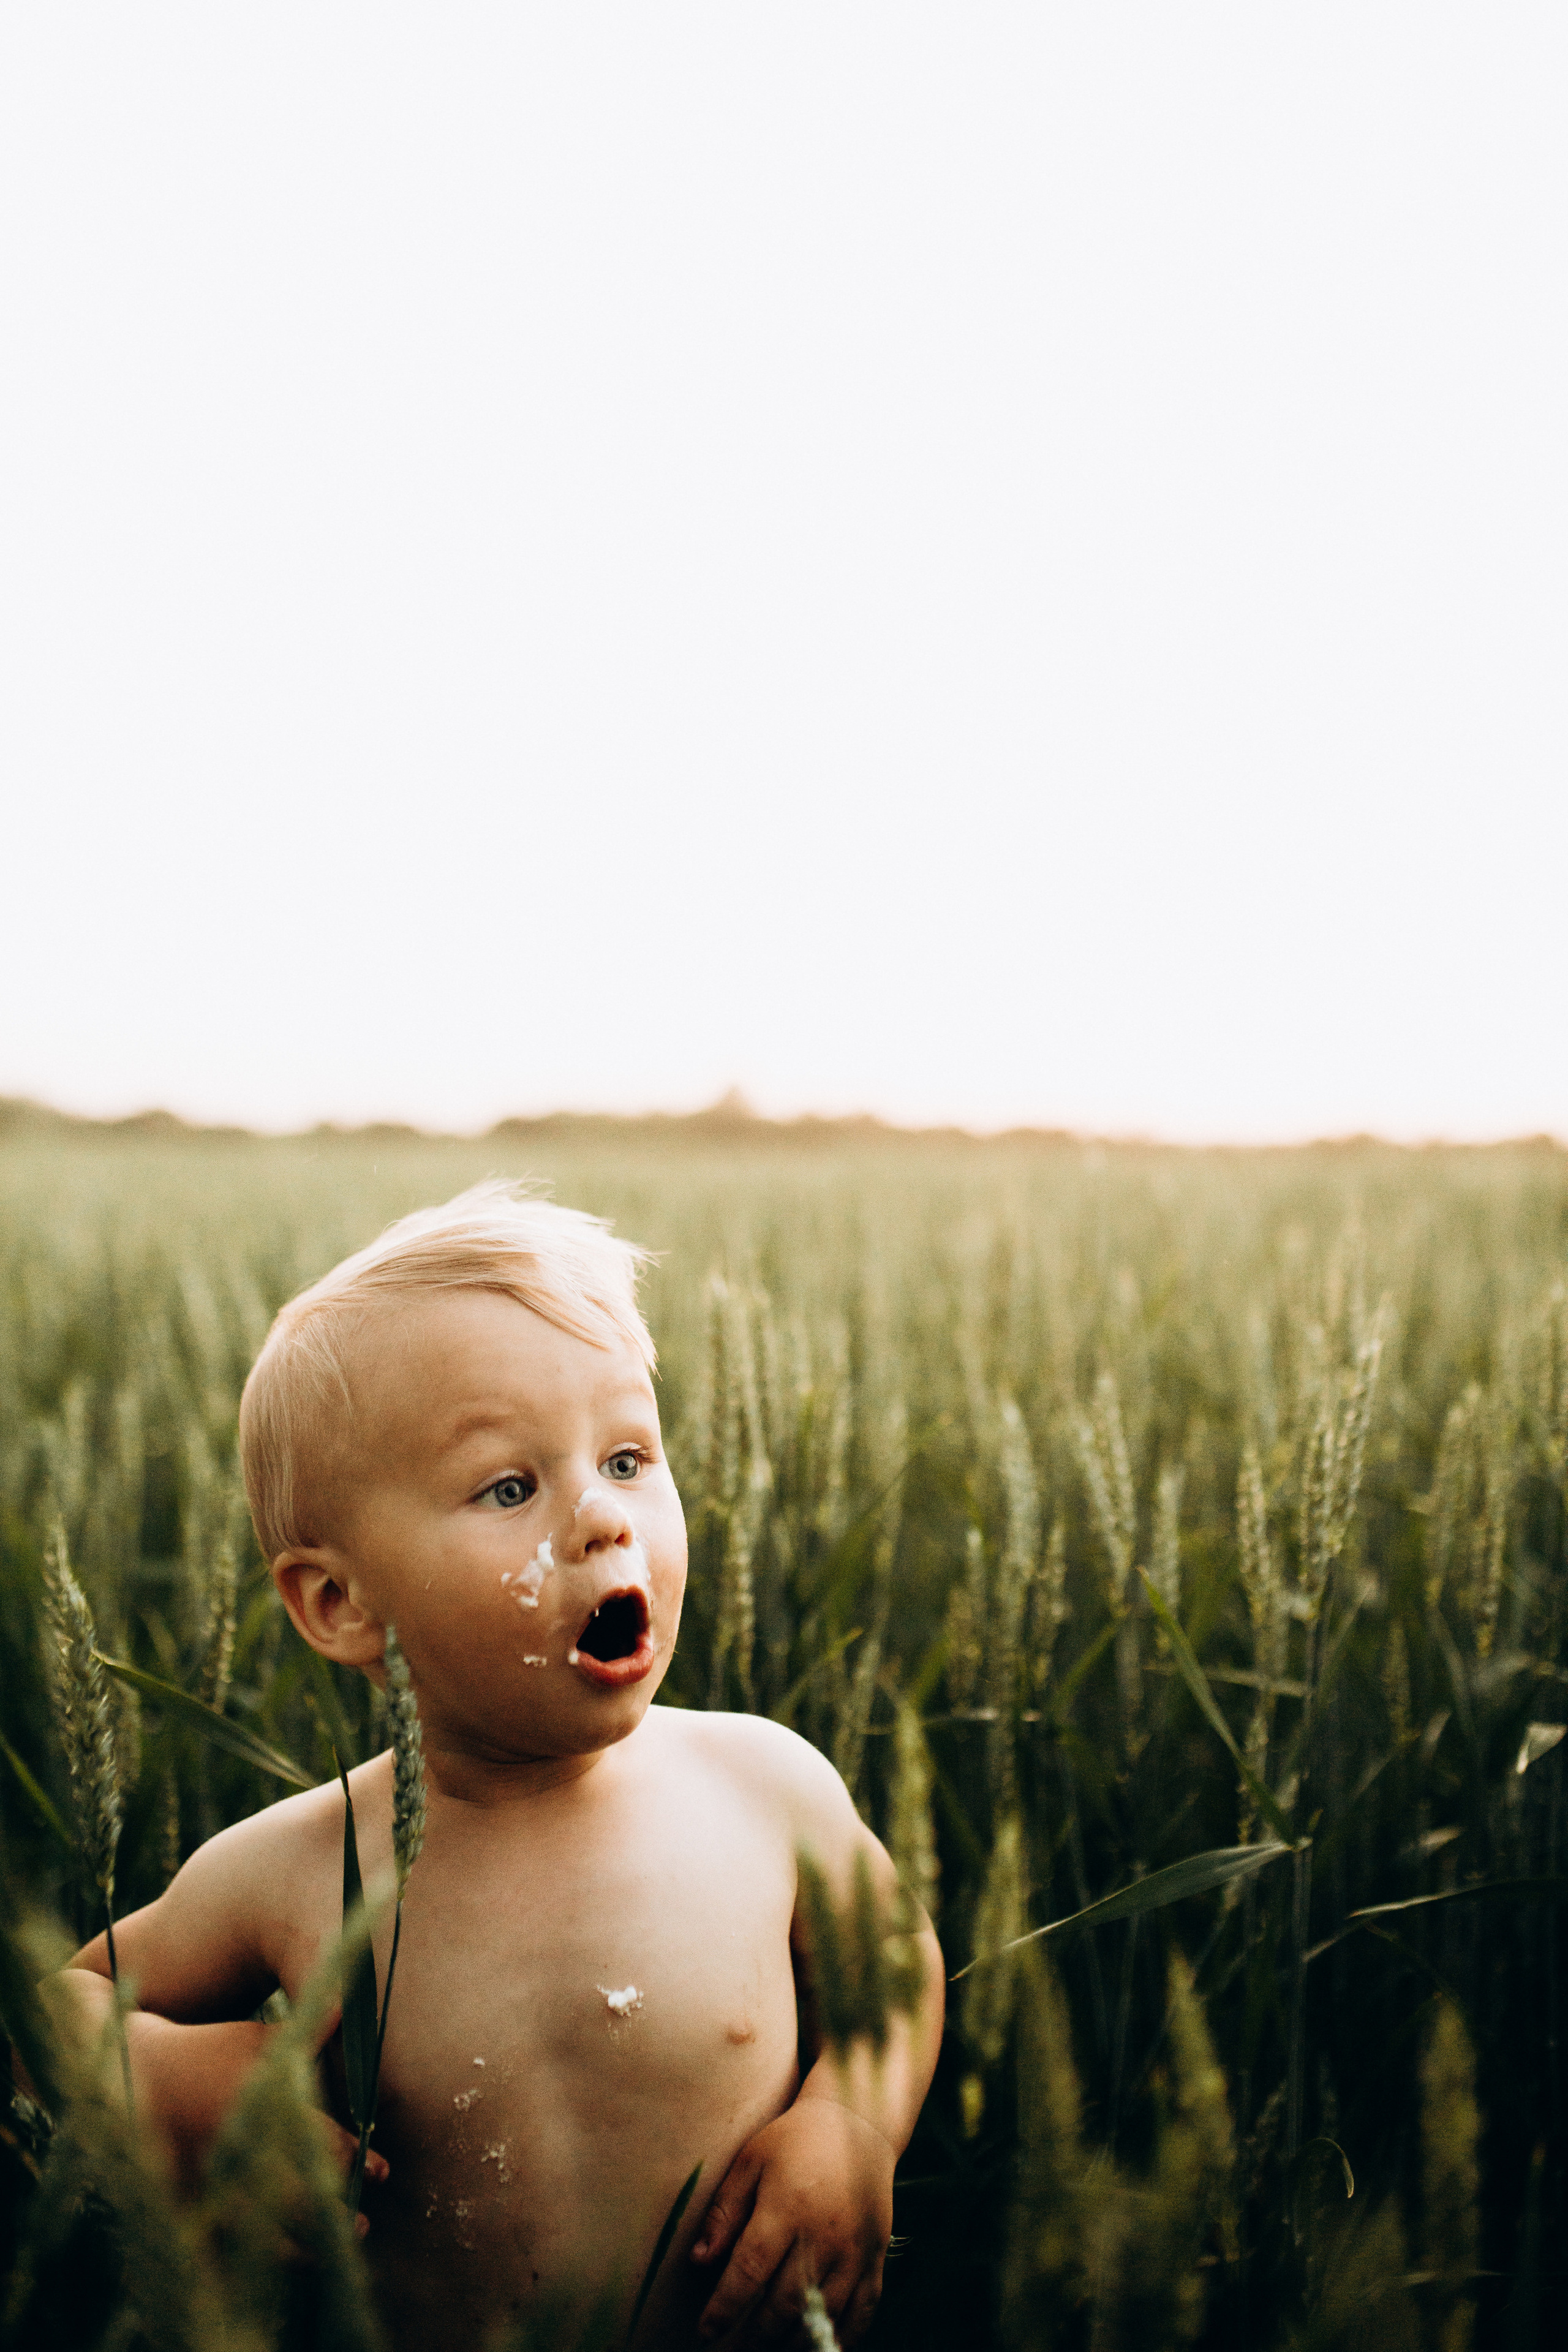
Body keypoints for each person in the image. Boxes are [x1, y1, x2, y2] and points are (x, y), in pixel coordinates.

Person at [57, 1182, 944, 2350]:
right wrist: (165, 2087)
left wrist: (852, 2123)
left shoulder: (763, 1787)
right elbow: (47, 2010)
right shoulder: (305, 1867)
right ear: (339, 1603)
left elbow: (895, 1963)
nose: (600, 1518)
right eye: (510, 1487)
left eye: (629, 1457)